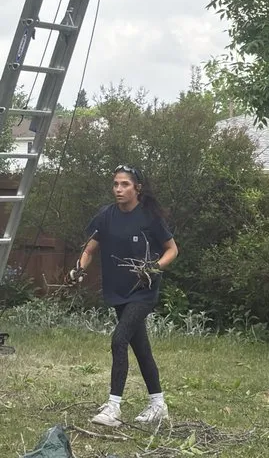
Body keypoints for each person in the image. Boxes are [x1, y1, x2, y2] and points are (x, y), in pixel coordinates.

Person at [68, 165, 179, 427]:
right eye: (116, 184)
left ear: (137, 188)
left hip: (143, 291)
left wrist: (153, 268)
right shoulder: (106, 216)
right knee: (140, 347)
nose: (119, 189)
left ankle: (113, 408)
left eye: (125, 184)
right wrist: (79, 269)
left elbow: (172, 250)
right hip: (118, 291)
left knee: (119, 340)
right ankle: (158, 404)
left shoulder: (149, 217)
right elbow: (89, 250)